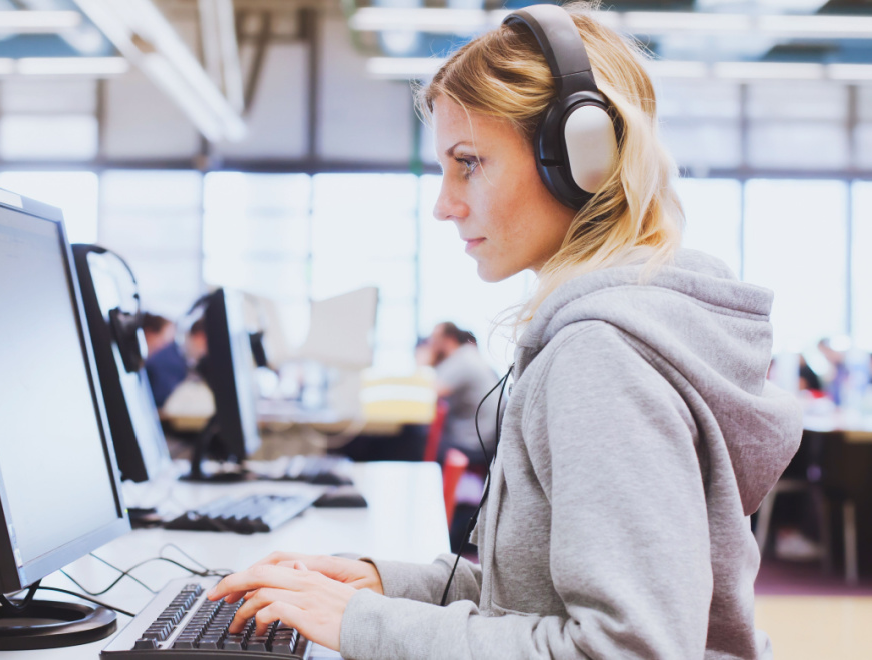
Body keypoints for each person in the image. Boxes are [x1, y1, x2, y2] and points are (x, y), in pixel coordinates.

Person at [204, 3, 803, 658]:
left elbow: (627, 650)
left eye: (469, 163)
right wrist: (380, 585)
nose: (444, 204)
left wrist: (360, 624)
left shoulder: (602, 357)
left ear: (579, 159)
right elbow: (533, 600)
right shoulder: (617, 332)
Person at [425, 321, 500, 466]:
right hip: (484, 435)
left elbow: (431, 393)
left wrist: (425, 362)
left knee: (418, 439)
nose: (430, 342)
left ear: (449, 339)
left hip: (473, 441)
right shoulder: (466, 355)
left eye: (434, 337)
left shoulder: (463, 359)